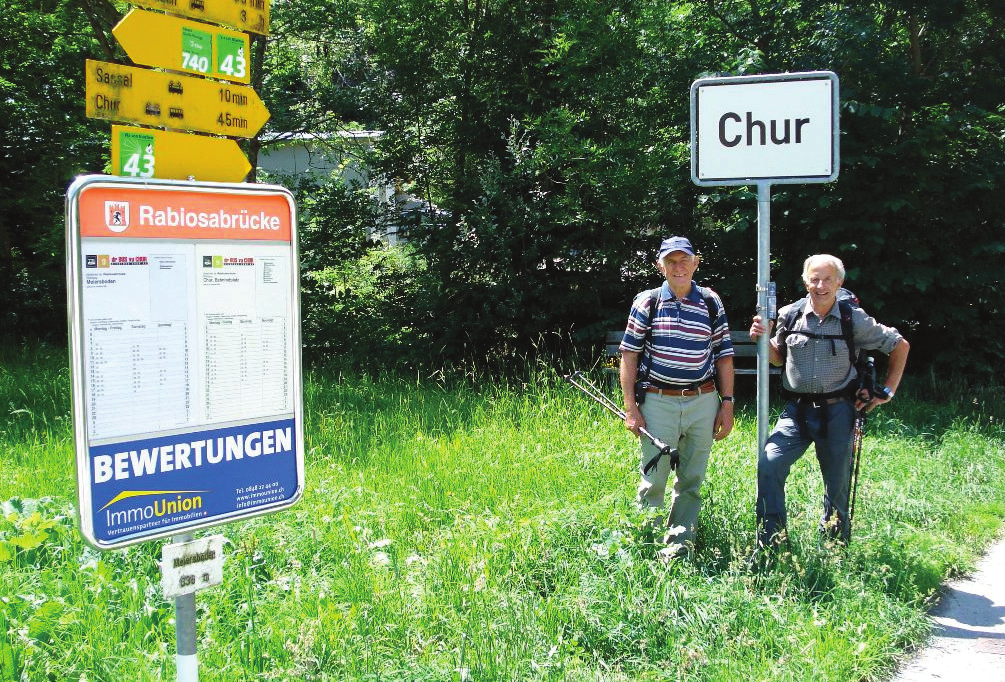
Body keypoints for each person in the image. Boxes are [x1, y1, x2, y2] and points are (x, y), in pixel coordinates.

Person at [749, 254, 909, 547]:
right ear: (805, 280)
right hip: (796, 411)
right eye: (814, 279)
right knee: (769, 465)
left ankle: (833, 545)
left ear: (839, 282)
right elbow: (777, 358)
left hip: (838, 410)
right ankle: (771, 542)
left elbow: (900, 345)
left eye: (827, 279)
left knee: (836, 484)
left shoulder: (853, 319)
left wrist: (887, 391)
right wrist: (762, 338)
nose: (820, 285)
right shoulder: (790, 314)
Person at [619, 236, 735, 561]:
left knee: (692, 480)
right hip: (657, 402)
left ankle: (678, 551)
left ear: (696, 262)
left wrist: (727, 404)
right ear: (660, 266)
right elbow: (629, 355)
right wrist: (631, 408)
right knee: (653, 479)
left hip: (704, 400)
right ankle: (643, 551)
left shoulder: (711, 302)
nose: (679, 267)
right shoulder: (648, 301)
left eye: (684, 260)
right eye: (671, 261)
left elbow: (724, 356)